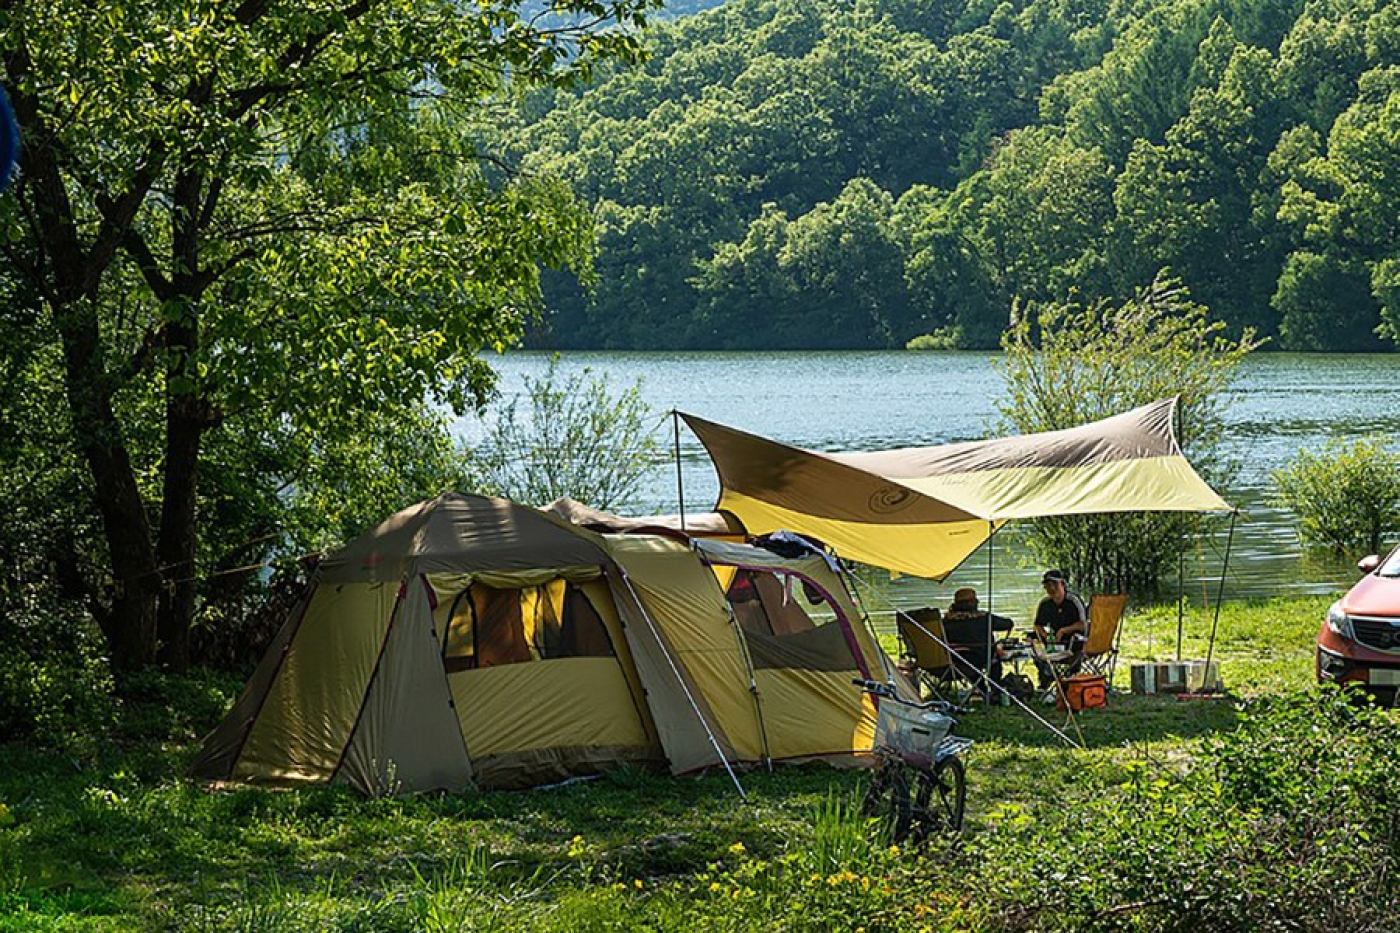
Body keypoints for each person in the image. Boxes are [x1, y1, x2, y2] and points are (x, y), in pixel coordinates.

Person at [942, 586, 1014, 695]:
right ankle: (995, 687)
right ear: (973, 603)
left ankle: (981, 689)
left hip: (953, 660)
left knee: (975, 658)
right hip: (980, 657)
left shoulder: (945, 621)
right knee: (993, 656)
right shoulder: (983, 618)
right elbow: (1007, 624)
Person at [1032, 569, 1088, 689]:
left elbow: (1084, 625)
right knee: (1032, 640)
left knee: (1078, 641)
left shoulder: (1073, 601)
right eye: (1048, 585)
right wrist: (1045, 635)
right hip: (1054, 643)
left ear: (1063, 584)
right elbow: (1037, 625)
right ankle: (1046, 677)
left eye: (1054, 584)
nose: (1051, 588)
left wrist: (1064, 630)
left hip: (1074, 642)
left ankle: (1071, 674)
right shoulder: (1045, 603)